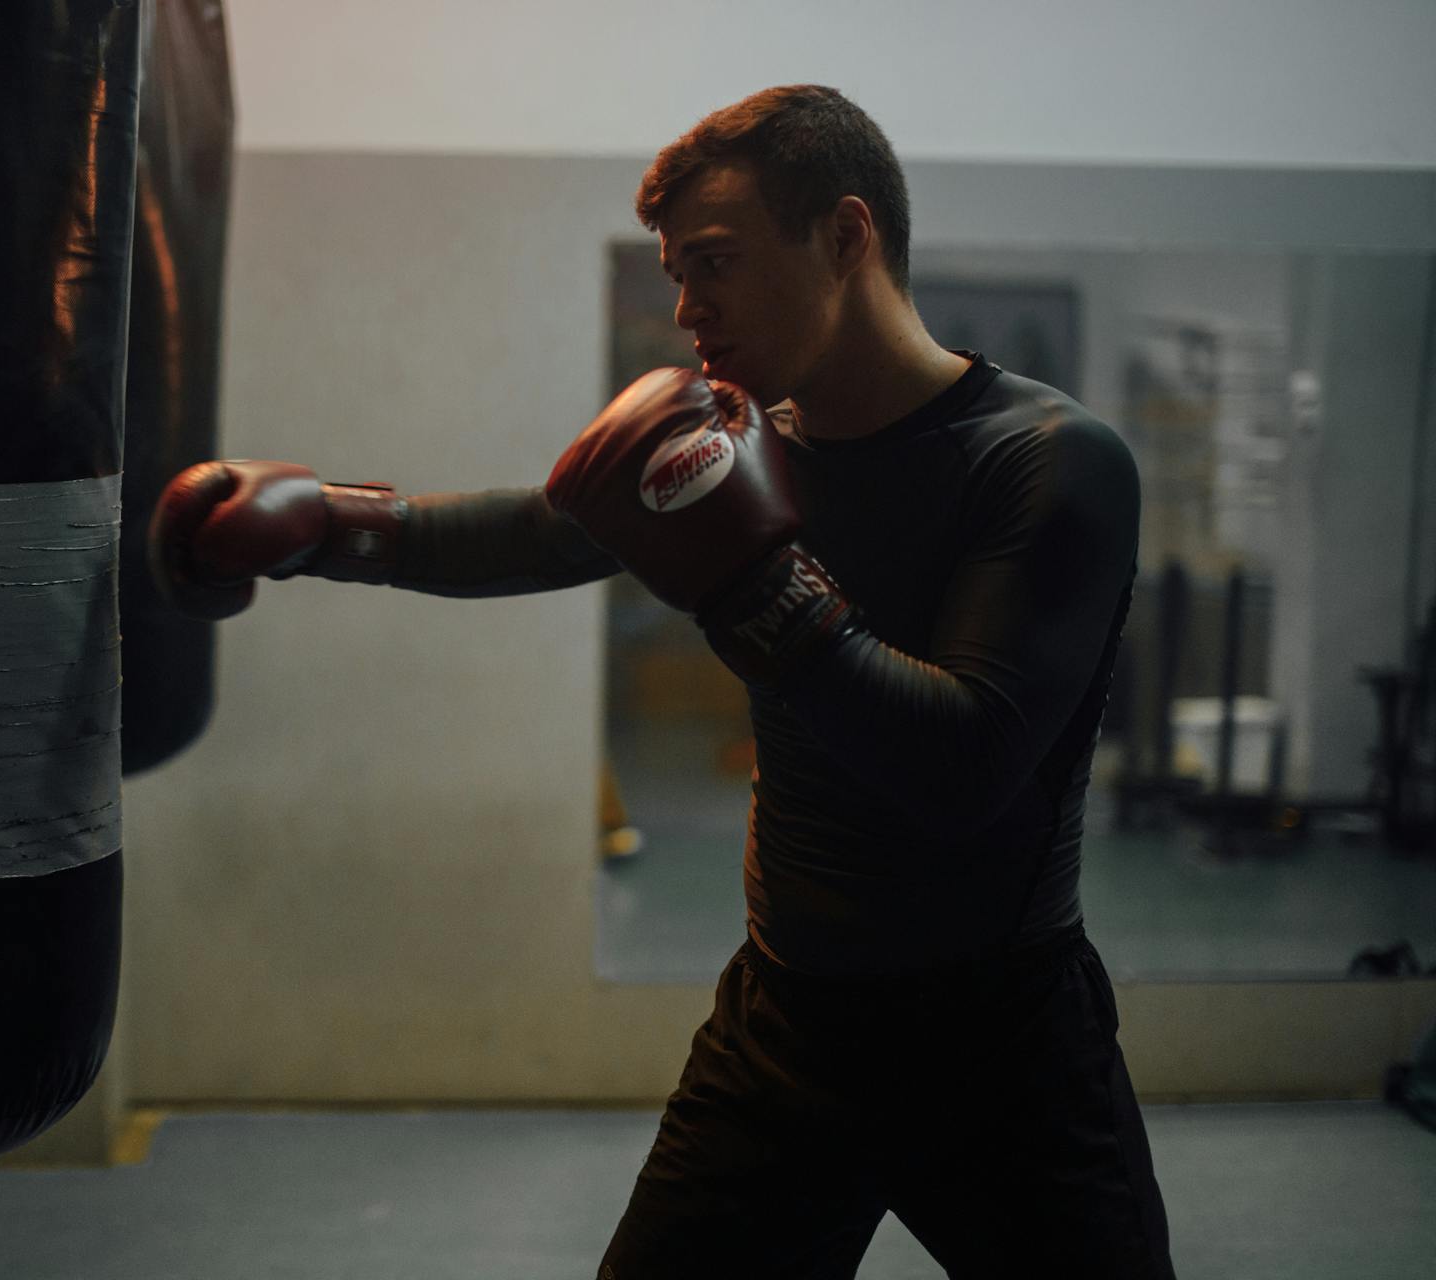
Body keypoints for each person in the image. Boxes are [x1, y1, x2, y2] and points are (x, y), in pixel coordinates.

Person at [150, 84, 1175, 1279]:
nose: (688, 308)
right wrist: (333, 524)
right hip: (787, 1032)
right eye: (676, 271)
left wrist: (753, 584)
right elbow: (540, 530)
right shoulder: (751, 448)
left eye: (716, 263)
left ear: (847, 236)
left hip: (1004, 1051)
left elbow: (962, 766)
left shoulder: (1049, 462)